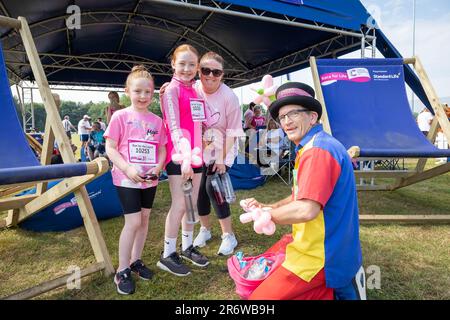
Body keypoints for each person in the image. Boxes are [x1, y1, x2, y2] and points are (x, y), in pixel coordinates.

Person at [244, 82, 365, 300]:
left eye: (293, 114)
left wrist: (265, 216)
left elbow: (306, 209)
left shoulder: (317, 151)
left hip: (321, 257)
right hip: (333, 250)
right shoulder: (315, 145)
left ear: (312, 117)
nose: (286, 122)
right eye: (282, 117)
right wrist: (268, 206)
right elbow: (299, 196)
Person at [104, 65, 167, 295]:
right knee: (132, 222)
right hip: (126, 178)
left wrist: (159, 166)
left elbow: (161, 149)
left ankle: (136, 261)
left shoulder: (157, 121)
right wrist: (128, 168)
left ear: (153, 93)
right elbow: (110, 148)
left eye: (147, 92)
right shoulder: (120, 116)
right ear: (127, 91)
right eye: (138, 91)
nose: (143, 96)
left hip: (150, 180)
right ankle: (122, 271)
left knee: (145, 218)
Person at [158, 44, 209, 276]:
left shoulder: (196, 90)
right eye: (182, 64)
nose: (187, 69)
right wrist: (186, 158)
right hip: (179, 156)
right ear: (173, 64)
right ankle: (167, 254)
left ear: (197, 66)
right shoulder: (171, 90)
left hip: (197, 156)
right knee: (180, 204)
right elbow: (175, 126)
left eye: (192, 64)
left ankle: (187, 247)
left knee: (191, 205)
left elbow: (199, 122)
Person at [191, 51, 244, 256]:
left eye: (216, 72)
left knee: (212, 187)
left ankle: (228, 235)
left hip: (224, 148)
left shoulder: (229, 96)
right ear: (199, 71)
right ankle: (205, 229)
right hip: (200, 149)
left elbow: (233, 132)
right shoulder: (193, 89)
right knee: (199, 191)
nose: (211, 76)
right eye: (206, 70)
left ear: (222, 74)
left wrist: (221, 159)